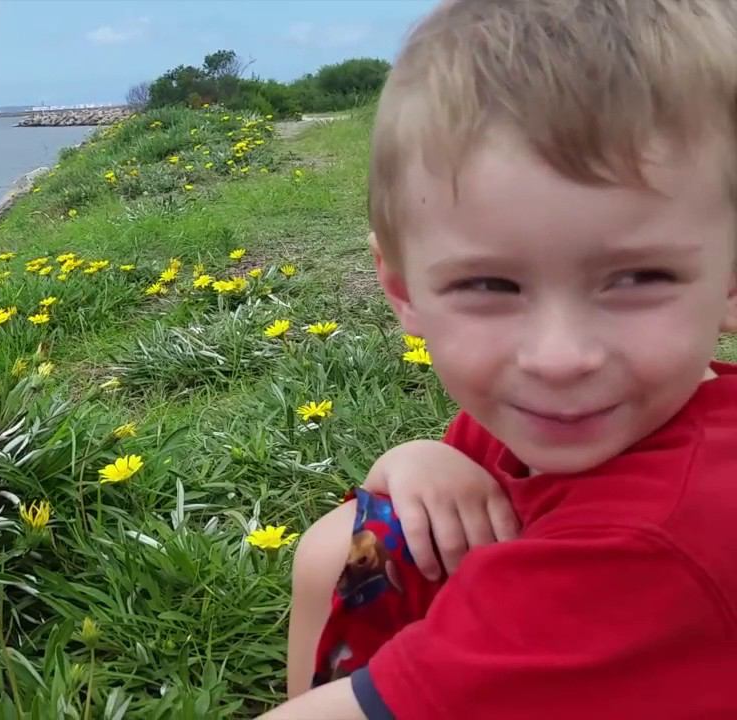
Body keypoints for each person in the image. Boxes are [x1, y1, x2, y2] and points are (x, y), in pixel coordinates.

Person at [265, 0, 737, 717]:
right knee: (342, 545)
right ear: (404, 291)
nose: (560, 357)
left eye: (640, 277)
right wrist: (416, 456)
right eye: (490, 285)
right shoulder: (569, 420)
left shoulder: (662, 536)